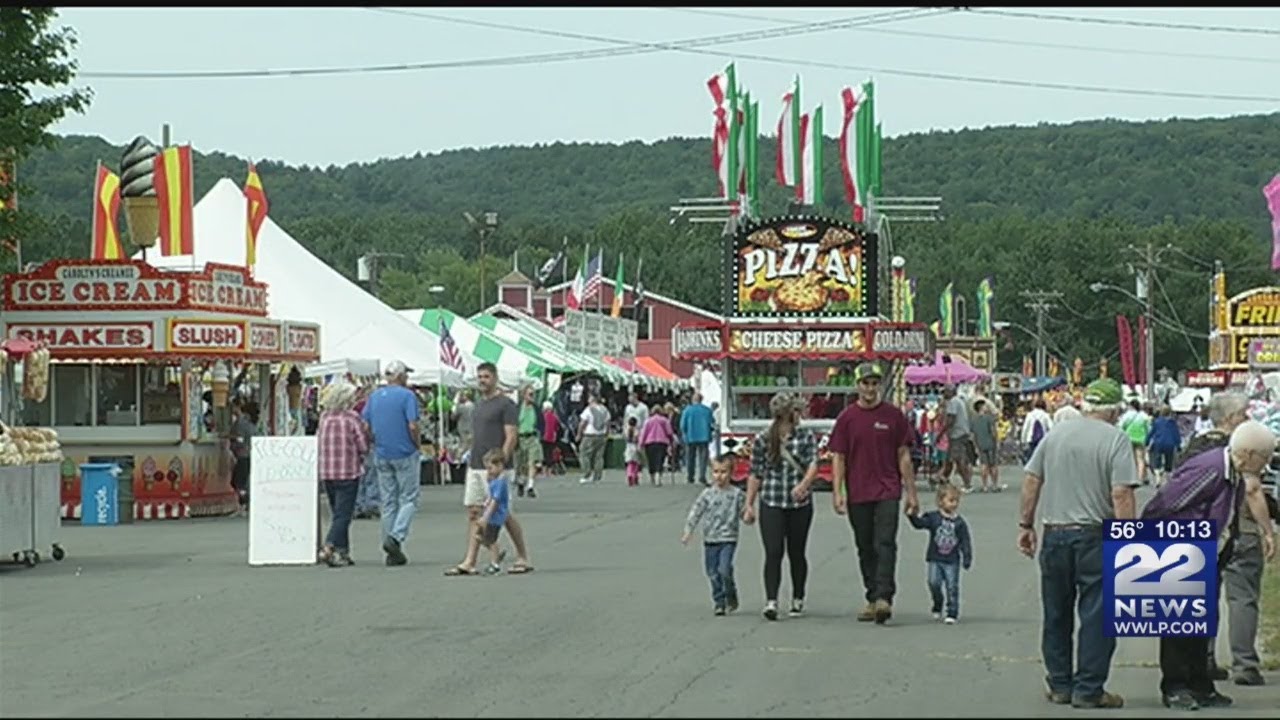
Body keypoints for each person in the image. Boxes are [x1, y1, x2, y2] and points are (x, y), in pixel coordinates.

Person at [1017, 377, 1138, 709]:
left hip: (1055, 533)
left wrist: (1026, 525)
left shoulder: (1055, 436)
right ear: (1114, 410)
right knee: (1098, 615)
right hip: (1095, 536)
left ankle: (1059, 684)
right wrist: (1128, 539)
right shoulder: (1117, 440)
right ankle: (1089, 688)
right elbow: (1121, 493)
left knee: (1056, 613)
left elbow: (1031, 480)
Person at [1140, 420, 1277, 710]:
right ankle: (1175, 686)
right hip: (1181, 548)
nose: (1265, 467)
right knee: (1178, 623)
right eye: (1265, 458)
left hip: (1208, 553)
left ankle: (1200, 683)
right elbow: (1166, 502)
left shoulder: (1235, 473)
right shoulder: (1210, 469)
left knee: (1201, 623)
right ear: (1250, 453)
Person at [1177, 392, 1274, 685]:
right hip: (1239, 528)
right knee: (1243, 596)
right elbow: (1253, 490)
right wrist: (1268, 530)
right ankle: (1244, 663)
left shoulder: (1195, 447)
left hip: (1201, 530)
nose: (1248, 418)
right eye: (1244, 413)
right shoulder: (1242, 448)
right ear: (1231, 419)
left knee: (1203, 597)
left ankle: (1202, 659)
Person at [828, 361, 919, 625]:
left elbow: (904, 455)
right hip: (858, 491)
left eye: (874, 383)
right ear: (857, 385)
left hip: (888, 489)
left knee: (885, 542)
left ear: (880, 385)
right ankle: (871, 596)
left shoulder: (893, 416)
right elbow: (839, 457)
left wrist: (911, 493)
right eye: (865, 383)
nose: (870, 388)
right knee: (865, 545)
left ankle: (884, 598)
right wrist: (838, 492)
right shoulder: (847, 419)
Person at [445, 361, 534, 576]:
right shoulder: (478, 405)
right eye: (480, 377)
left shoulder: (506, 404)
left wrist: (500, 464)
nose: (482, 380)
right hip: (476, 463)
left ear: (494, 378)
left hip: (496, 467)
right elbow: (476, 435)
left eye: (486, 376)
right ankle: (470, 561)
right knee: (474, 511)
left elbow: (511, 435)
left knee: (503, 514)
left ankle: (523, 556)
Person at [743, 393, 817, 621]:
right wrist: (749, 504)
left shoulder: (805, 436)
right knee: (773, 551)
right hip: (772, 500)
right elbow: (756, 472)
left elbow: (813, 463)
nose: (798, 415)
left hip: (799, 503)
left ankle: (798, 597)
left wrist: (804, 484)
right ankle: (771, 600)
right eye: (795, 411)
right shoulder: (764, 438)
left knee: (797, 552)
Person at [361, 361, 421, 567]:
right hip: (404, 451)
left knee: (388, 501)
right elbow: (413, 424)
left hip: (382, 451)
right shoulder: (408, 396)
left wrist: (375, 440)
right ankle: (395, 536)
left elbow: (366, 425)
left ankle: (390, 547)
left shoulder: (374, 396)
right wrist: (416, 443)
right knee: (409, 498)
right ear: (401, 376)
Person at [681, 454, 748, 616]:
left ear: (731, 473)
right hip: (710, 539)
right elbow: (696, 511)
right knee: (712, 572)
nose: (719, 476)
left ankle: (730, 593)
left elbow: (744, 513)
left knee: (724, 569)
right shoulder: (707, 494)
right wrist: (688, 530)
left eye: (724, 472)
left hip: (728, 538)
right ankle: (719, 601)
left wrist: (749, 517)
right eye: (716, 472)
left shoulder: (737, 494)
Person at [316, 381, 368, 568]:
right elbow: (362, 445)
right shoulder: (352, 418)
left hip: (327, 471)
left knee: (337, 512)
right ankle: (330, 546)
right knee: (343, 515)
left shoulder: (324, 418)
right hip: (348, 470)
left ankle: (342, 552)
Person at [907, 484, 973, 624]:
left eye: (956, 500)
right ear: (941, 501)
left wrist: (967, 557)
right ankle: (938, 603)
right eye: (951, 500)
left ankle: (952, 612)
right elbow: (920, 524)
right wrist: (912, 516)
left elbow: (965, 541)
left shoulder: (960, 523)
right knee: (933, 583)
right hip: (935, 558)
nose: (954, 504)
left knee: (952, 586)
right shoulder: (933, 517)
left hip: (952, 560)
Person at [476, 448, 512, 575]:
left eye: (490, 468)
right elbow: (491, 497)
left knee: (491, 540)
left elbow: (495, 502)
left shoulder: (500, 483)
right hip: (492, 515)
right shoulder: (495, 481)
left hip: (495, 516)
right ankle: (496, 555)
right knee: (481, 537)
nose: (488, 471)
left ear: (499, 465)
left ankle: (495, 563)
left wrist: (486, 516)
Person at [352, 386, 381, 519]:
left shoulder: (354, 408)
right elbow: (367, 426)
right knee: (371, 476)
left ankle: (358, 505)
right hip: (368, 443)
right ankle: (371, 505)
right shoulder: (371, 407)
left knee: (360, 477)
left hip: (354, 446)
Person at [940, 385, 975, 492]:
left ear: (951, 392)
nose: (944, 394)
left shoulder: (953, 402)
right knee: (950, 459)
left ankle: (967, 484)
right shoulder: (959, 401)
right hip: (961, 433)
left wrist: (941, 433)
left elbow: (951, 419)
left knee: (958, 459)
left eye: (945, 392)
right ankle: (943, 479)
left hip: (957, 434)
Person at [228, 400, 258, 515]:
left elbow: (239, 439)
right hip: (249, 454)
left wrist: (232, 439)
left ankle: (243, 504)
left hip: (243, 455)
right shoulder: (251, 424)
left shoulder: (241, 423)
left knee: (238, 481)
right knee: (243, 480)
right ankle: (244, 504)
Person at [680, 393, 715, 486]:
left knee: (690, 457)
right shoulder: (707, 410)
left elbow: (683, 425)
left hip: (690, 437)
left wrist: (684, 434)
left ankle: (690, 476)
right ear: (701, 400)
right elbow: (712, 423)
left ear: (693, 399)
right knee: (703, 457)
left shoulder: (687, 410)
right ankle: (702, 476)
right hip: (704, 436)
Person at [514, 385, 542, 498]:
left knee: (533, 462)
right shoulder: (518, 408)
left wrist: (541, 434)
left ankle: (530, 486)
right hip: (520, 438)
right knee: (521, 464)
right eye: (530, 394)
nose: (532, 396)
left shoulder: (536, 408)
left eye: (533, 394)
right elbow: (514, 424)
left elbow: (541, 422)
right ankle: (521, 482)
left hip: (532, 437)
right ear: (524, 395)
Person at [971, 399, 1004, 493]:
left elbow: (973, 435)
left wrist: (976, 445)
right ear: (981, 407)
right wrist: (997, 441)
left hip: (980, 444)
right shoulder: (989, 418)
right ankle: (994, 485)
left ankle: (984, 485)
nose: (987, 407)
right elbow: (993, 431)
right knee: (993, 464)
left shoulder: (974, 420)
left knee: (983, 464)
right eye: (985, 406)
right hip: (990, 443)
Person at [577, 394, 610, 485]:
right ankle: (597, 477)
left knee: (584, 454)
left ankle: (586, 474)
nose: (588, 399)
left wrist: (579, 434)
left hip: (590, 435)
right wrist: (606, 434)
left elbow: (583, 422)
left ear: (593, 399)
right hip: (601, 435)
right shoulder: (605, 410)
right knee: (599, 456)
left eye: (590, 398)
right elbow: (608, 423)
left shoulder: (588, 409)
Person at [640, 404, 675, 486]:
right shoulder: (664, 420)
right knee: (660, 460)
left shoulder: (648, 421)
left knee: (651, 460)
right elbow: (669, 432)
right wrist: (671, 441)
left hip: (650, 442)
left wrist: (641, 443)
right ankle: (658, 476)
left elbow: (644, 433)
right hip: (662, 442)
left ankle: (652, 476)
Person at [1119, 399, 1152, 485]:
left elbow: (1121, 426)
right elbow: (1148, 428)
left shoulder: (1127, 415)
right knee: (1140, 458)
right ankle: (1141, 478)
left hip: (1128, 438)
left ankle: (1132, 477)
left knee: (1131, 459)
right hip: (1141, 439)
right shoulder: (1144, 416)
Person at [1146, 406, 1181, 486]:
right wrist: (1178, 445)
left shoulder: (1157, 422)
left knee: (1156, 460)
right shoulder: (1173, 422)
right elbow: (1176, 434)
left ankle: (1158, 477)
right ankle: (1167, 479)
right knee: (1169, 462)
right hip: (1170, 443)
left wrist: (1147, 442)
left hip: (1158, 443)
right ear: (1170, 412)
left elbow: (1151, 433)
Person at [1020, 399, 1052, 464]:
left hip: (1031, 439)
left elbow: (1025, 427)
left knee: (1032, 457)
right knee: (1041, 457)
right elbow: (1051, 427)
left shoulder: (1030, 414)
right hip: (1042, 439)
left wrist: (1023, 440)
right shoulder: (1045, 415)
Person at [540, 401, 563, 476]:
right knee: (550, 454)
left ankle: (544, 472)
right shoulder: (554, 417)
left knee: (543, 454)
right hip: (552, 438)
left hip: (543, 437)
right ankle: (549, 472)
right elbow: (557, 428)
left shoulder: (542, 416)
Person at [624, 416, 642, 487]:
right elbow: (637, 438)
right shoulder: (637, 431)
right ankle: (635, 476)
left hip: (628, 447)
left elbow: (626, 438)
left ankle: (629, 474)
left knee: (629, 463)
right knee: (636, 463)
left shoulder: (626, 430)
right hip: (635, 446)